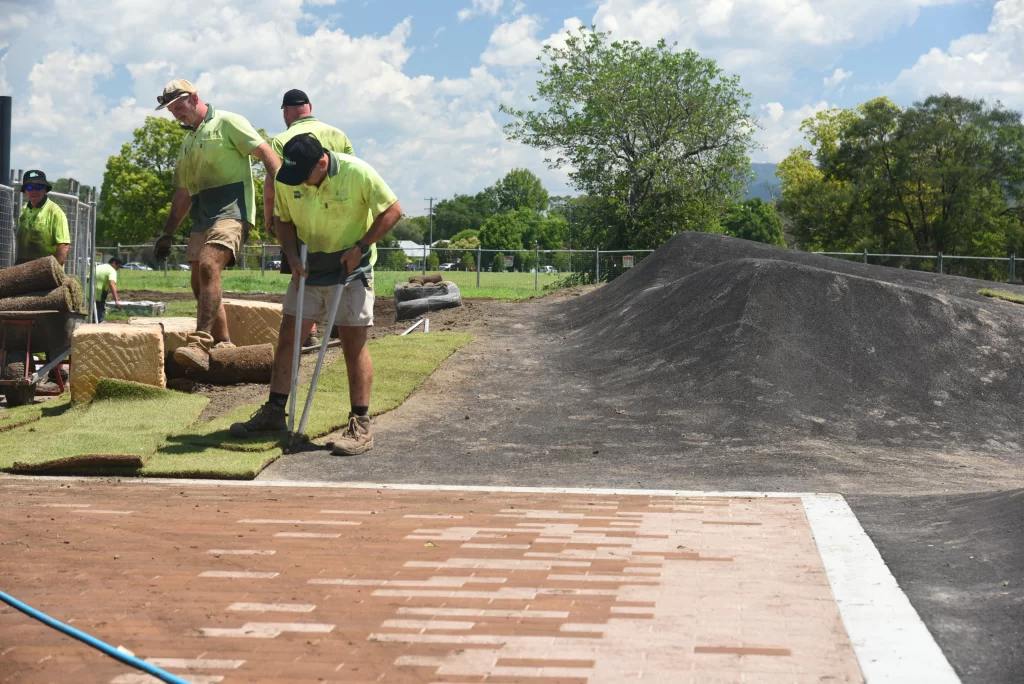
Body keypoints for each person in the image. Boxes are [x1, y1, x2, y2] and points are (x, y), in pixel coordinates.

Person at [230, 133, 402, 455]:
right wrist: (291, 255)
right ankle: (275, 413)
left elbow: (392, 210)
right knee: (288, 337)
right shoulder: (289, 176)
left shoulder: (357, 172)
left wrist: (360, 247)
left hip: (351, 267)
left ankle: (361, 424)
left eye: (305, 177)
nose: (300, 184)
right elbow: (283, 219)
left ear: (322, 163)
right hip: (308, 267)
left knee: (353, 344)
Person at [151, 79, 281, 372]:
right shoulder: (188, 142)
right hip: (203, 215)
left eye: (178, 107)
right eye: (171, 110)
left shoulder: (228, 122)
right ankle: (224, 343)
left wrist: (284, 201)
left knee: (210, 264)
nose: (175, 115)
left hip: (232, 210)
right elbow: (183, 192)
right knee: (199, 282)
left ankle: (200, 341)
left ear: (194, 98)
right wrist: (167, 232)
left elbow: (267, 154)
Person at [270, 88, 356, 348]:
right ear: (309, 106)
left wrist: (271, 217)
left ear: (286, 111)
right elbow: (350, 173)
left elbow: (274, 181)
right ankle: (344, 325)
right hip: (341, 214)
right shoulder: (338, 133)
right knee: (340, 268)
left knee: (302, 271)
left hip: (300, 213)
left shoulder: (282, 139)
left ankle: (309, 331)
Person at [16, 170, 70, 266]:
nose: (34, 191)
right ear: (25, 190)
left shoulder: (55, 212)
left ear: (45, 188)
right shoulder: (23, 210)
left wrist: (53, 273)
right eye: (29, 187)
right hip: (22, 273)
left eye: (38, 186)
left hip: (46, 275)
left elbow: (63, 246)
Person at [94, 257, 123, 323]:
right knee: (100, 309)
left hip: (89, 291)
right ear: (113, 263)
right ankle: (99, 323)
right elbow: (112, 284)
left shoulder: (99, 267)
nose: (118, 269)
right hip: (100, 292)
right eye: (118, 266)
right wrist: (116, 300)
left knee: (94, 309)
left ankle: (93, 321)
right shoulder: (111, 270)